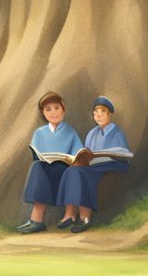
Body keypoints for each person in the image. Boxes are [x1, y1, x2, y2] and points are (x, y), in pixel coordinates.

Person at [56, 96, 131, 234]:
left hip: (114, 164)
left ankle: (85, 217)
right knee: (71, 171)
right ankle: (70, 214)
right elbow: (87, 153)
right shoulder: (92, 133)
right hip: (94, 165)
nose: (99, 115)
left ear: (109, 114)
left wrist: (105, 154)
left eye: (102, 111)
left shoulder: (116, 131)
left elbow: (125, 153)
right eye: (96, 112)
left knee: (83, 173)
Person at [18, 91, 83, 234]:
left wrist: (72, 160)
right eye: (48, 109)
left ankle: (70, 215)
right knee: (37, 167)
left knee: (73, 172)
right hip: (46, 170)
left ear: (63, 109)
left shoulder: (70, 132)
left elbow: (79, 153)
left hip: (65, 169)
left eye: (56, 108)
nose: (53, 112)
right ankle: (36, 220)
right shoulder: (39, 133)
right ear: (43, 113)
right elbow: (37, 154)